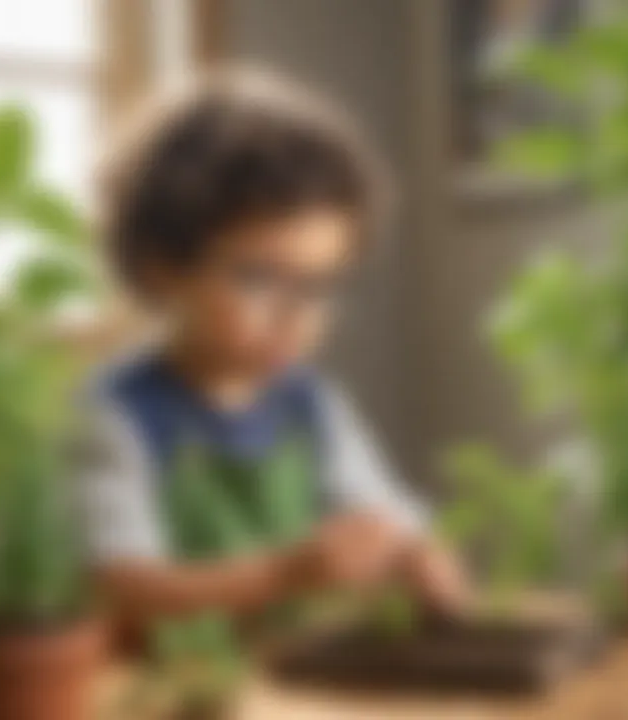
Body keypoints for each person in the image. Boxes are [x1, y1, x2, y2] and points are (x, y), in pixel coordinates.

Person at [75, 70, 465, 639]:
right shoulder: (114, 416)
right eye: (257, 279)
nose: (295, 316)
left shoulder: (310, 405)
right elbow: (117, 585)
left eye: (318, 286)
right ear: (162, 266)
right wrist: (284, 574)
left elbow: (384, 515)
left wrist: (418, 555)